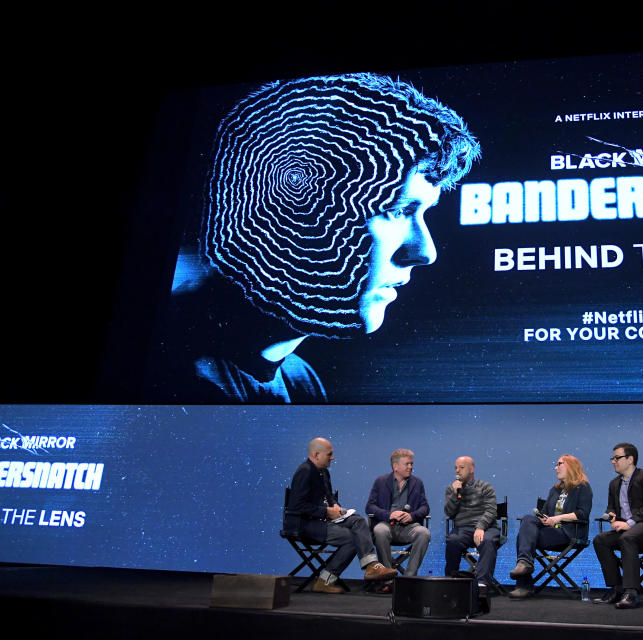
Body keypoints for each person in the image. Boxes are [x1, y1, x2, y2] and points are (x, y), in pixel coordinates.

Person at [150, 73, 481, 403]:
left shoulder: (300, 381)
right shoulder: (168, 370)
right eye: (396, 209)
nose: (425, 252)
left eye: (422, 213)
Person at [285, 437, 398, 593]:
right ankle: (325, 580)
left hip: (322, 519)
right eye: (329, 454)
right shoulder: (305, 471)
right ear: (316, 454)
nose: (333, 457)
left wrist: (334, 505)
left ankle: (372, 565)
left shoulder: (323, 472)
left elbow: (328, 496)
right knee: (353, 538)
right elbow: (296, 505)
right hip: (305, 524)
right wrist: (326, 512)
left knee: (359, 521)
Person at [508, 454, 592, 599]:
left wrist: (557, 518)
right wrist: (545, 518)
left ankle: (524, 585)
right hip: (551, 532)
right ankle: (525, 564)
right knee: (528, 522)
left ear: (571, 466)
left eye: (559, 464)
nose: (556, 467)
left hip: (570, 533)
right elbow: (545, 513)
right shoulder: (555, 490)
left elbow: (582, 514)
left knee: (525, 537)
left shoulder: (582, 487)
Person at [591, 442, 643, 609]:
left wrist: (629, 523)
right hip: (628, 529)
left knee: (628, 537)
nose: (613, 461)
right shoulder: (614, 484)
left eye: (617, 458)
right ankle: (617, 589)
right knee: (600, 540)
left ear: (630, 459)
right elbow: (611, 507)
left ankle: (631, 593)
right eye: (612, 458)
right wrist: (612, 516)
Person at [366, 448, 431, 580]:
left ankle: (409, 578)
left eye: (411, 464)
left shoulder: (417, 483)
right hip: (386, 524)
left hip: (408, 527)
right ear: (395, 466)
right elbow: (370, 507)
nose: (410, 467)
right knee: (379, 530)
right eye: (407, 464)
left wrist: (411, 516)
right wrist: (389, 514)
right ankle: (387, 577)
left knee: (424, 533)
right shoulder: (381, 481)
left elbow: (425, 507)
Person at [444, 456, 499, 589]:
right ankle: (450, 582)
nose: (457, 471)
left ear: (472, 469)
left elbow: (491, 511)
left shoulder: (485, 487)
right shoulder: (451, 489)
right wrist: (454, 494)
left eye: (461, 468)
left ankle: (482, 584)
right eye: (456, 468)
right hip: (463, 529)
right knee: (452, 541)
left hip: (487, 527)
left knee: (488, 540)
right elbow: (449, 513)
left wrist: (480, 527)